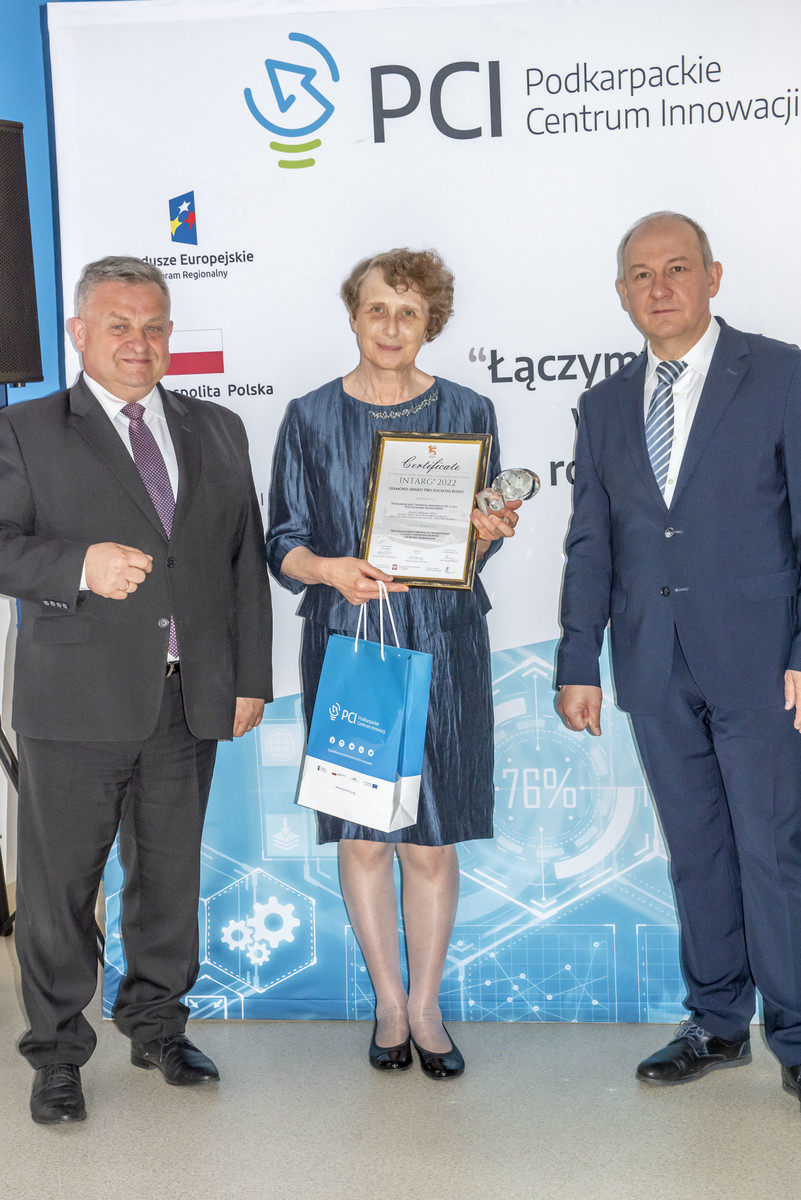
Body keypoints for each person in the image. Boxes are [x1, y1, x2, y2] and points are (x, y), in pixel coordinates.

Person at [0, 256, 272, 1124]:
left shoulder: (217, 427)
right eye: (118, 325)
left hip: (187, 700)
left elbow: (242, 562)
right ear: (79, 332)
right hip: (73, 703)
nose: (138, 342)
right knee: (58, 892)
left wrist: (249, 678)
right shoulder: (25, 429)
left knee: (167, 879)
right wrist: (79, 566)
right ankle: (56, 1054)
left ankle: (157, 1027)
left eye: (154, 326)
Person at [556, 212, 801, 1105]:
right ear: (622, 293)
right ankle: (715, 1023)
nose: (658, 288)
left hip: (762, 662)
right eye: (640, 274)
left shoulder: (780, 375)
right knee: (694, 851)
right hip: (653, 663)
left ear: (712, 277)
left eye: (676, 268)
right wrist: (576, 660)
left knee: (771, 851)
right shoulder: (603, 406)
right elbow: (592, 543)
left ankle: (796, 1031)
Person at [266, 248, 519, 1080]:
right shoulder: (309, 417)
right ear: (353, 315)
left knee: (430, 841)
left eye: (408, 312)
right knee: (365, 837)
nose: (390, 326)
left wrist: (484, 535)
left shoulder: (468, 409)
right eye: (377, 308)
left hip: (443, 641)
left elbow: (470, 544)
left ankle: (426, 1007)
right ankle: (386, 1003)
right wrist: (329, 569)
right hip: (352, 641)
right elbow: (281, 542)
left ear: (429, 324)